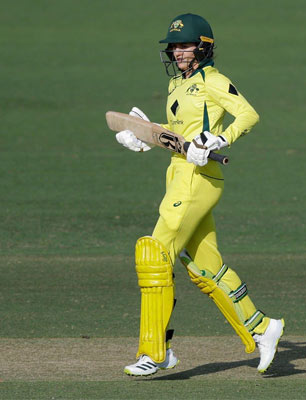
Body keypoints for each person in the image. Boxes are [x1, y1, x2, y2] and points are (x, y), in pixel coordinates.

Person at [114, 13, 284, 377]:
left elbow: (248, 115)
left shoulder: (214, 81)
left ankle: (156, 351)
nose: (177, 52)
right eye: (174, 46)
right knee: (204, 266)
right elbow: (178, 134)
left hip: (198, 179)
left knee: (154, 256)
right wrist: (144, 135)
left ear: (203, 47)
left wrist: (221, 138)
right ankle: (262, 326)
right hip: (178, 175)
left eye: (184, 45)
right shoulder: (178, 84)